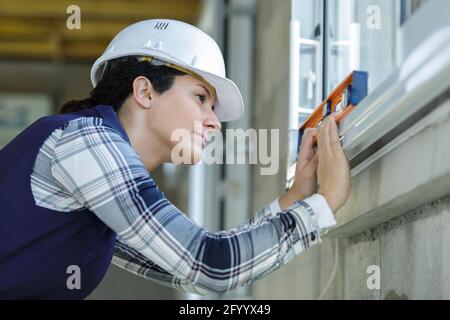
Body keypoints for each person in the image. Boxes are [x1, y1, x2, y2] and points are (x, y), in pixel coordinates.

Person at [0, 19, 351, 299]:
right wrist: (326, 203)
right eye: (200, 97)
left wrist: (295, 200)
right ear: (144, 91)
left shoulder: (98, 175)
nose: (214, 122)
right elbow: (212, 266)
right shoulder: (88, 142)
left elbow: (190, 265)